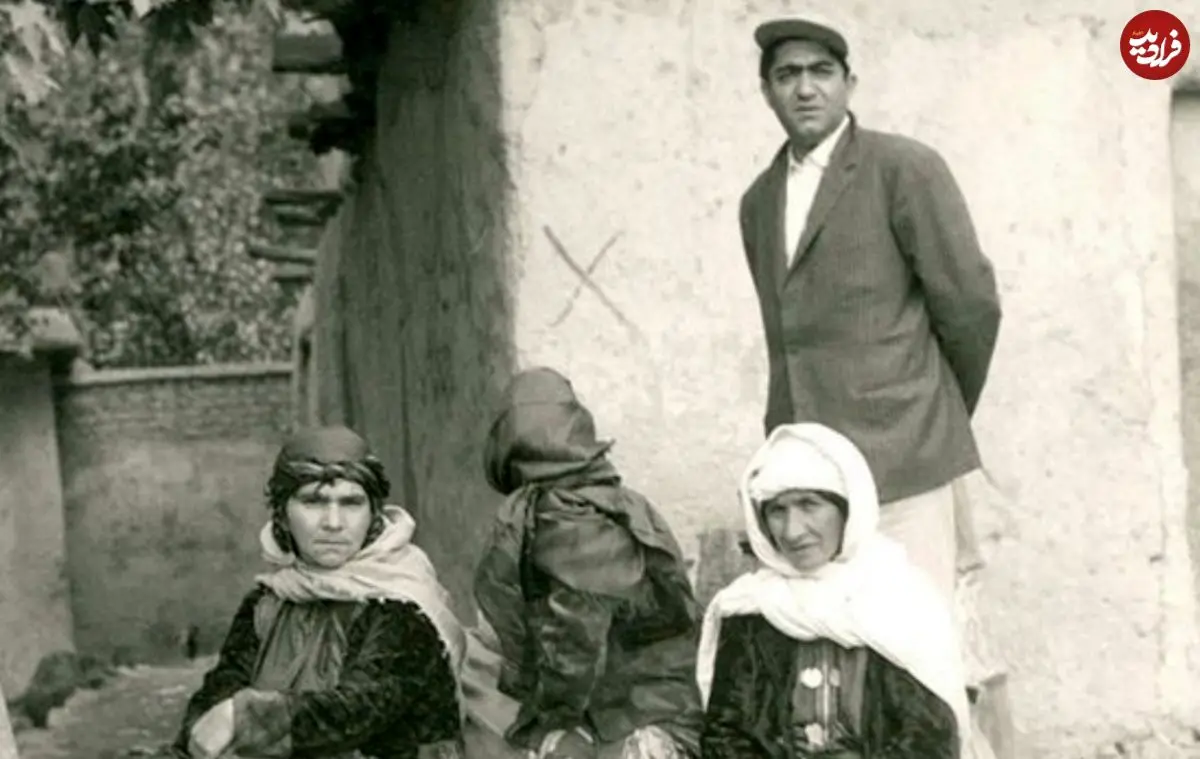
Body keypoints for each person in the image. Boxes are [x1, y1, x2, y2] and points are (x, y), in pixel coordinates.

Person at [738, 16, 1002, 603]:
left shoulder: (903, 168)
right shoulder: (758, 202)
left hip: (903, 460)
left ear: (849, 84)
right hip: (812, 478)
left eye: (821, 72)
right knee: (831, 639)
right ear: (767, 92)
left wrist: (923, 410)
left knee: (916, 628)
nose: (806, 88)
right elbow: (787, 338)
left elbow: (971, 306)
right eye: (787, 75)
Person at [171, 425, 466, 759]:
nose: (333, 523)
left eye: (351, 503)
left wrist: (243, 717)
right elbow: (222, 689)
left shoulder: (400, 607)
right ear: (282, 514)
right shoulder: (268, 603)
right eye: (313, 501)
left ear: (373, 515)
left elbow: (359, 708)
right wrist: (200, 730)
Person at [697, 422, 970, 759]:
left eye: (809, 505)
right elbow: (725, 736)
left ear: (848, 509)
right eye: (777, 511)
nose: (793, 531)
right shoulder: (749, 608)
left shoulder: (903, 601)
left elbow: (929, 741)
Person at [469, 368, 703, 759]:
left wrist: (555, 722)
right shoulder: (617, 500)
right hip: (653, 696)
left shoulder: (565, 514)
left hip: (633, 715)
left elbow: (576, 634)